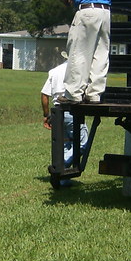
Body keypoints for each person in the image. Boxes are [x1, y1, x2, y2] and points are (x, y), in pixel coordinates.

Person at [59, 0, 117, 103]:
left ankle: (73, 94)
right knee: (101, 54)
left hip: (87, 10)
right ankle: (94, 94)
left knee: (79, 51)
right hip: (105, 12)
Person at [41, 52, 89, 185]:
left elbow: (44, 95)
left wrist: (46, 116)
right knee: (82, 143)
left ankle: (63, 180)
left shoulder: (54, 71)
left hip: (57, 112)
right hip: (72, 111)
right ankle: (58, 169)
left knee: (65, 145)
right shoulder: (79, 72)